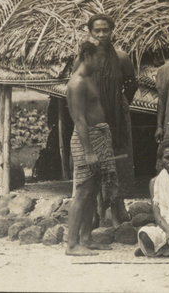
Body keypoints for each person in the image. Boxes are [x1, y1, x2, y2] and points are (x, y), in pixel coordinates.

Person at [65, 42, 120, 256]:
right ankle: (71, 244)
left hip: (98, 137)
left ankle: (86, 238)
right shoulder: (77, 83)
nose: (101, 62)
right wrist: (88, 151)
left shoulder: (89, 78)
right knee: (83, 191)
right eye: (99, 58)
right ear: (87, 56)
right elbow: (79, 120)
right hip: (85, 140)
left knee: (94, 189)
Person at [85, 14, 136, 220]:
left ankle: (117, 208)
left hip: (117, 117)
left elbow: (132, 84)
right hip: (93, 115)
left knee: (118, 159)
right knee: (97, 160)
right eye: (97, 30)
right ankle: (98, 209)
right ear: (90, 33)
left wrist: (119, 103)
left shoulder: (122, 57)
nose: (101, 34)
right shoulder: (85, 58)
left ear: (112, 31)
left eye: (105, 30)